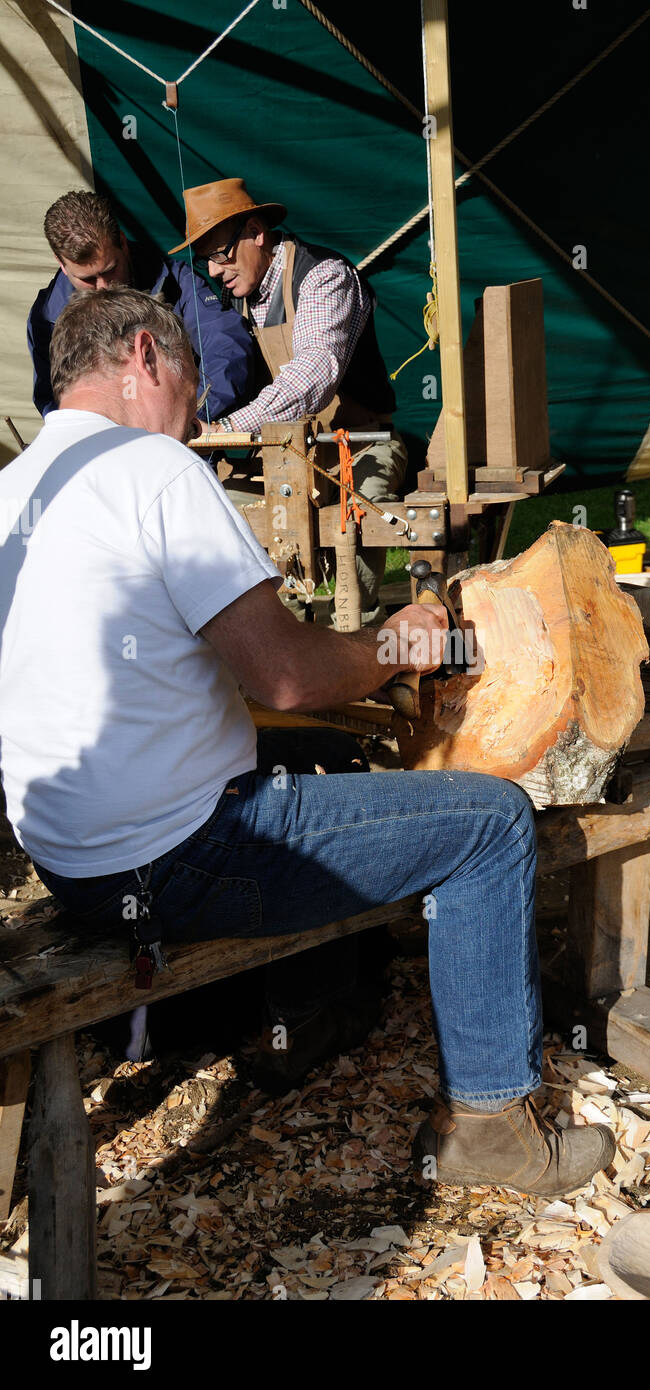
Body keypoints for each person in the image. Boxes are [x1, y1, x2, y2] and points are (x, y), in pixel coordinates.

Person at [0, 288, 613, 1197]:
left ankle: (311, 1011)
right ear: (144, 355)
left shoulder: (14, 486)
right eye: (195, 387)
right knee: (491, 822)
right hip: (176, 859)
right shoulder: (155, 471)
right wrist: (392, 644)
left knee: (311, 762)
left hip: (72, 862)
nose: (200, 416)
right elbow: (286, 678)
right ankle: (493, 1121)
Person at [171, 177, 405, 627]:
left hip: (355, 448)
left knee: (354, 540)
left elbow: (313, 374)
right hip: (278, 457)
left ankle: (361, 653)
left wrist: (228, 428)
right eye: (206, 261)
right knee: (225, 517)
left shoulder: (325, 277)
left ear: (256, 232)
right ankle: (287, 650)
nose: (215, 271)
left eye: (221, 255)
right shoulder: (231, 300)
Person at [26, 189, 255, 423]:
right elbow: (53, 401)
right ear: (62, 264)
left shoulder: (177, 282)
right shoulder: (46, 319)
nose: (104, 287)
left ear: (123, 243)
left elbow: (226, 347)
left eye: (109, 270)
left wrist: (188, 420)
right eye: (88, 280)